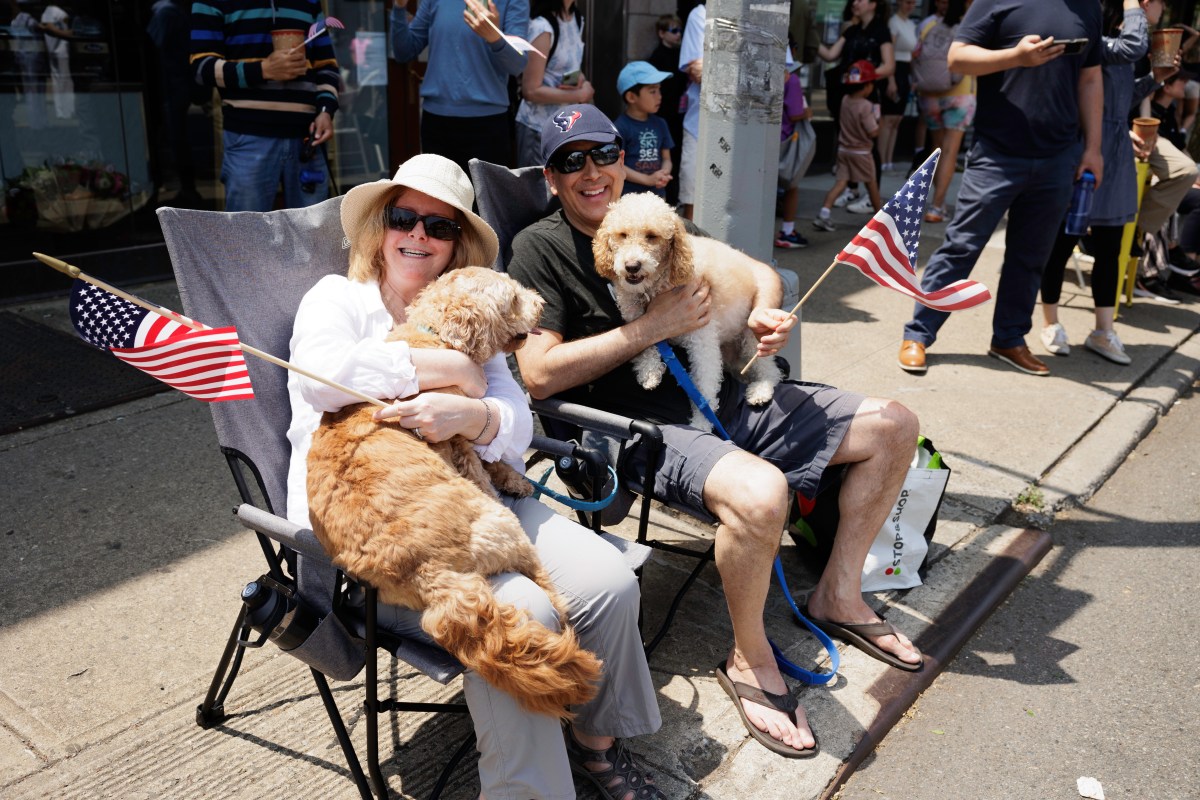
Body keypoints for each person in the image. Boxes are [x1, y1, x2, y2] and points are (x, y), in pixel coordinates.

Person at [508, 104, 923, 760]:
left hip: (727, 391)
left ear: (623, 158)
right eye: (570, 160)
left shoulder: (658, 218)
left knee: (895, 426)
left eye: (605, 153)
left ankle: (838, 595)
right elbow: (536, 374)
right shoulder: (540, 248)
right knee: (761, 497)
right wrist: (650, 329)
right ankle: (749, 657)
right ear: (552, 178)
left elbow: (754, 268)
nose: (593, 171)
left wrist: (765, 311)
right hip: (637, 427)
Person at [285, 153, 665, 800]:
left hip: (482, 496)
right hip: (390, 525)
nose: (418, 236)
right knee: (523, 612)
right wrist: (448, 373)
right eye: (404, 218)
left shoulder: (473, 313)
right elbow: (321, 382)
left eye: (439, 227)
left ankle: (597, 745)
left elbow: (515, 427)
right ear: (382, 225)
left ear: (458, 244)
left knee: (608, 583)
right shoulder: (338, 299)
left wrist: (475, 412)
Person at [897, 0, 1104, 377]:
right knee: (962, 246)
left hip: (1059, 154)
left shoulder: (1088, 5)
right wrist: (1016, 57)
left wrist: (1092, 148)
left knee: (1031, 255)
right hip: (998, 152)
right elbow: (957, 59)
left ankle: (1008, 338)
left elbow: (1090, 78)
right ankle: (919, 333)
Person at [1038, 0, 1149, 367]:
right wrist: (1135, 2)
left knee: (1110, 245)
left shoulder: (1114, 47)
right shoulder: (1095, 42)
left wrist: (1156, 80)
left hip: (1115, 156)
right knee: (1062, 242)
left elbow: (1124, 99)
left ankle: (1103, 330)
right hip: (1086, 150)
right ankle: (1051, 322)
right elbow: (1135, 45)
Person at [190, 0, 339, 212]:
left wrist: (325, 111)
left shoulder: (310, 2)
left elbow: (327, 68)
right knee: (248, 237)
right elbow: (201, 68)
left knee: (311, 238)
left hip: (307, 138)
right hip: (248, 137)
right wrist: (263, 70)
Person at [390, 0, 529, 173]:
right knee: (440, 198)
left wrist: (495, 39)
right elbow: (404, 51)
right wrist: (399, 8)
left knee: (485, 200)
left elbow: (517, 65)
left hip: (487, 125)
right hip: (437, 122)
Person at [912, 0, 975, 224]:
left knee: (936, 150)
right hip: (960, 92)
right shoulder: (969, 24)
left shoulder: (926, 24)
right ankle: (937, 207)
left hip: (929, 95)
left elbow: (915, 55)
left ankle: (930, 203)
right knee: (949, 151)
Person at [514, 0, 592, 167]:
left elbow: (570, 68)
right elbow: (531, 90)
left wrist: (583, 82)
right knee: (538, 190)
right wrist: (579, 94)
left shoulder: (577, 18)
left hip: (566, 128)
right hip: (538, 128)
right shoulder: (542, 26)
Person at [813, 61, 881, 232]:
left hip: (843, 150)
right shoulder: (865, 106)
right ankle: (881, 220)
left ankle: (824, 213)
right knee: (871, 183)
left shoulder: (845, 100)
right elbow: (873, 131)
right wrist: (879, 123)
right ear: (866, 86)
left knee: (841, 183)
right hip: (862, 152)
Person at [613, 61, 675, 197]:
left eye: (659, 90)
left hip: (657, 195)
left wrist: (663, 174)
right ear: (631, 97)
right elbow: (616, 164)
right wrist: (647, 180)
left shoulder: (660, 123)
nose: (659, 96)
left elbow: (666, 158)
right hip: (630, 196)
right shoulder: (620, 127)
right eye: (652, 91)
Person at [776, 53, 815, 248]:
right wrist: (808, 112)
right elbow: (795, 114)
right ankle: (787, 230)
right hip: (787, 139)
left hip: (767, 139)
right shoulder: (791, 79)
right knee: (792, 185)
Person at [647, 13, 685, 205]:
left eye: (679, 30)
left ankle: (674, 197)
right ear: (661, 33)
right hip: (663, 115)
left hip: (678, 115)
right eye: (673, 30)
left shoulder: (680, 55)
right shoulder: (656, 57)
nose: (678, 34)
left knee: (675, 157)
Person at [879, 0, 917, 174]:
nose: (910, 6)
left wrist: (913, 77)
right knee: (888, 119)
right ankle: (881, 160)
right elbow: (890, 52)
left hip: (905, 70)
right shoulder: (893, 22)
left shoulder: (910, 24)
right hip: (894, 70)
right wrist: (891, 79)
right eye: (907, 2)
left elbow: (912, 53)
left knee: (897, 120)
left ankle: (889, 159)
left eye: (913, 3)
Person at [678, 1, 705, 220]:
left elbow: (780, 75)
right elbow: (696, 71)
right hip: (700, 125)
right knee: (693, 197)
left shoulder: (764, 10)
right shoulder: (701, 14)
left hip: (748, 132)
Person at [39, 1, 72, 119]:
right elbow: (53, 28)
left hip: (53, 50)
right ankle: (66, 111)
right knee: (64, 81)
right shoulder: (57, 12)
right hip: (61, 51)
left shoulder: (47, 12)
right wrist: (71, 33)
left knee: (57, 81)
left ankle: (61, 111)